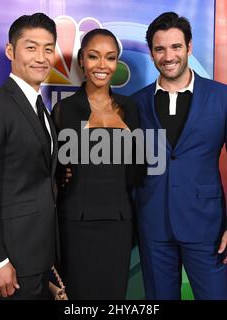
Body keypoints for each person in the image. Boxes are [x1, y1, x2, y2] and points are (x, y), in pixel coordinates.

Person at [131, 12, 227, 300]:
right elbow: (128, 162)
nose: (168, 56)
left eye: (175, 47)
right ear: (151, 53)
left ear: (189, 48)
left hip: (206, 226)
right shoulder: (137, 103)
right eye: (160, 49)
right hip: (153, 225)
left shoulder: (224, 97)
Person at [0, 13, 59, 299]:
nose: (41, 57)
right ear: (10, 51)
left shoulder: (41, 108)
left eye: (48, 48)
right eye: (31, 47)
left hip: (40, 255)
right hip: (12, 259)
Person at [52, 28, 142, 299]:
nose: (102, 65)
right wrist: (60, 174)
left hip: (118, 224)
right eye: (94, 56)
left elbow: (138, 171)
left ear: (117, 63)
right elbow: (51, 168)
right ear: (81, 60)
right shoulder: (64, 110)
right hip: (76, 225)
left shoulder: (130, 107)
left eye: (110, 57)